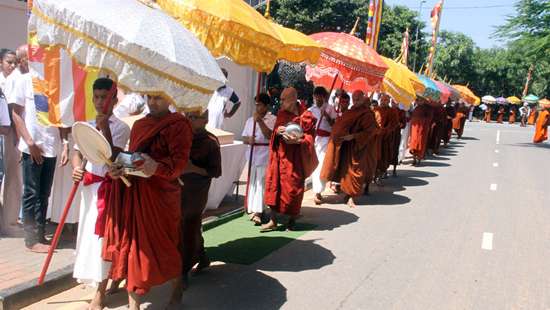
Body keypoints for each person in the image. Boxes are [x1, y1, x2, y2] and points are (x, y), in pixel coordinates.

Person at [103, 94, 193, 309]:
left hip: (162, 197)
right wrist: (118, 168)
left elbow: (178, 165)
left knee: (166, 248)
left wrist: (157, 167)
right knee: (134, 246)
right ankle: (133, 305)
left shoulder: (180, 125)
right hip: (137, 193)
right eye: (149, 97)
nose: (152, 103)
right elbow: (133, 158)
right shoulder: (140, 124)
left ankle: (177, 287)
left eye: (158, 98)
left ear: (170, 98)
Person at [71, 78, 130, 309]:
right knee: (88, 237)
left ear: (114, 99)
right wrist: (77, 168)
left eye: (104, 97)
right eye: (96, 97)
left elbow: (114, 158)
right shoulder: (85, 124)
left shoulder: (121, 127)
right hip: (89, 190)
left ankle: (101, 292)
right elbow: (77, 151)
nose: (99, 101)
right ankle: (103, 278)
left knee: (104, 239)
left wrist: (104, 126)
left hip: (109, 190)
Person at [8, 45, 69, 252]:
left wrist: (66, 144)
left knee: (44, 193)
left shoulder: (55, 82)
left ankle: (41, 235)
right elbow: (16, 114)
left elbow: (60, 117)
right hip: (32, 146)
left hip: (51, 145)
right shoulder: (24, 81)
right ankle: (31, 239)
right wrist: (30, 142)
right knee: (31, 192)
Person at [262, 87, 317, 231]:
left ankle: (292, 220)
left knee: (293, 188)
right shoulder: (281, 114)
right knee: (274, 186)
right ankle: (273, 220)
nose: (280, 102)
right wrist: (277, 131)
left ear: (293, 100)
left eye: (283, 99)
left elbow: (310, 138)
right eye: (280, 99)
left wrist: (299, 141)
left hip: (295, 158)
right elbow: (274, 134)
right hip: (280, 157)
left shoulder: (306, 116)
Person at [180, 109, 222, 288]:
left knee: (188, 226)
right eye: (187, 117)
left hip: (197, 190)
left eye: (194, 117)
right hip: (177, 188)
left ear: (205, 119)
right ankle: (202, 256)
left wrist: (192, 168)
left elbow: (216, 172)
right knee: (188, 226)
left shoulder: (211, 142)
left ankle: (183, 271)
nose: (189, 121)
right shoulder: (180, 137)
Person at [320, 91, 378, 207]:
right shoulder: (350, 112)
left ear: (363, 99)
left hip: (358, 147)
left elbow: (370, 131)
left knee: (355, 171)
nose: (356, 102)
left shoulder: (367, 114)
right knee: (345, 170)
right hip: (346, 146)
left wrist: (353, 136)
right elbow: (340, 125)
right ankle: (347, 194)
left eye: (358, 99)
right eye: (354, 99)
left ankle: (351, 197)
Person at [242, 93, 276, 224]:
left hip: (264, 153)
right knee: (253, 183)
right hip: (252, 154)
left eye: (260, 105)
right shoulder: (250, 120)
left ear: (267, 106)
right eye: (256, 104)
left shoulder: (273, 119)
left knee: (261, 183)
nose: (257, 107)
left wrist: (260, 121)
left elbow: (269, 136)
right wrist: (248, 139)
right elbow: (244, 137)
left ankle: (259, 211)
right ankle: (253, 208)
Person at [0, 48, 22, 235]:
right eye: (9, 62)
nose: (13, 66)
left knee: (13, 179)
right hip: (4, 134)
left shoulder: (17, 79)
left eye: (16, 62)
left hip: (11, 135)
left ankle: (10, 222)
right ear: (1, 62)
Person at [308, 86, 337, 204]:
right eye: (316, 95)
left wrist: (327, 116)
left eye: (321, 95)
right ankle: (316, 190)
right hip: (314, 139)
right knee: (314, 165)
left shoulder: (330, 109)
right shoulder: (311, 110)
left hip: (326, 140)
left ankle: (318, 192)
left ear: (324, 97)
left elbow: (334, 124)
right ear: (314, 96)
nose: (318, 98)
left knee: (321, 165)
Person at [408, 98, 434, 165]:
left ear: (424, 101)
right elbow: (412, 116)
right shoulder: (416, 107)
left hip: (422, 128)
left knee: (420, 143)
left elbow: (429, 118)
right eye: (418, 100)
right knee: (413, 142)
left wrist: (421, 120)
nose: (419, 101)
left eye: (420, 100)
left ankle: (419, 158)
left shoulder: (428, 108)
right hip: (414, 128)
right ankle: (414, 158)